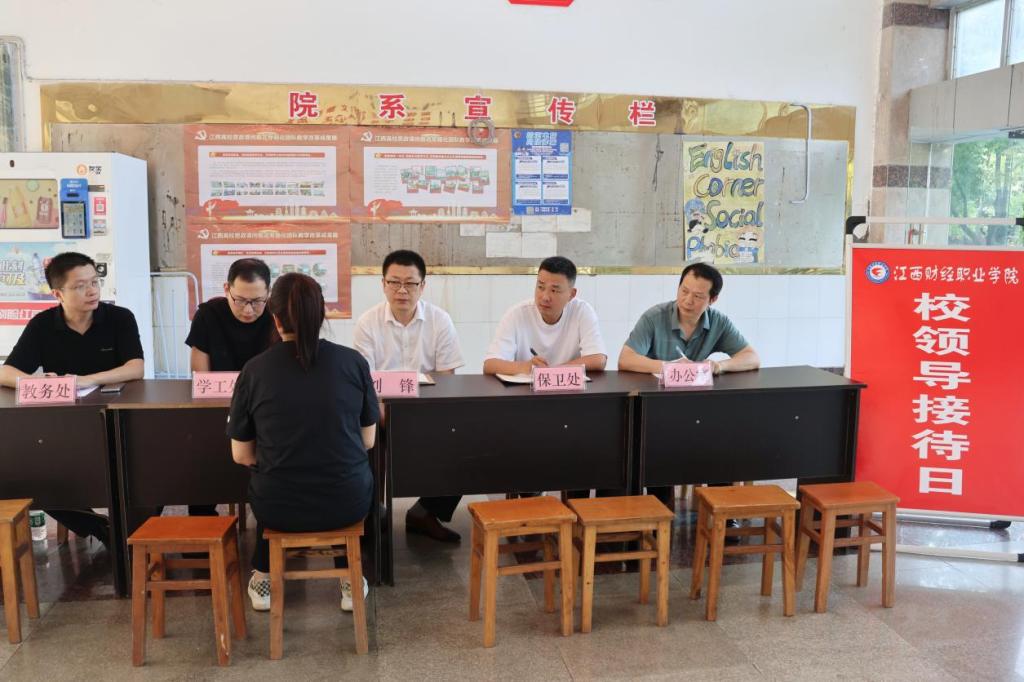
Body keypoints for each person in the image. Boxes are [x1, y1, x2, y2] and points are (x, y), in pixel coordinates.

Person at [227, 273, 378, 612]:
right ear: (321, 314)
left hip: (278, 506)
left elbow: (241, 454)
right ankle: (349, 577)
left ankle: (263, 575)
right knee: (347, 477)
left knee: (271, 481)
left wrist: (280, 458)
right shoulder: (353, 363)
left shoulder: (254, 370)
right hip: (347, 502)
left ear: (275, 317)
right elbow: (367, 440)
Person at [1, 251, 144, 545]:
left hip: (115, 419)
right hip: (63, 425)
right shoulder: (42, 325)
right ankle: (102, 529)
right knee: (30, 474)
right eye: (80, 286)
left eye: (94, 282)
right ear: (58, 293)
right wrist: (37, 382)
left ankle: (133, 535)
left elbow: (136, 368)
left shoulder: (119, 318)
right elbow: (6, 372)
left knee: (148, 467)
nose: (92, 291)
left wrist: (83, 380)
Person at [618, 262, 760, 506]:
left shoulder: (717, 322)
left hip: (697, 407)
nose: (687, 300)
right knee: (658, 444)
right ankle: (661, 507)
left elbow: (752, 357)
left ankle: (722, 510)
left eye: (698, 296)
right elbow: (625, 359)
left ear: (712, 299)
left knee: (723, 438)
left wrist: (718, 366)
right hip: (658, 407)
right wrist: (668, 367)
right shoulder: (655, 317)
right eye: (684, 291)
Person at [353, 249, 464, 543]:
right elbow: (365, 383)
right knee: (360, 438)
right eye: (394, 282)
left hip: (426, 411)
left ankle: (426, 512)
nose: (402, 290)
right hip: (380, 410)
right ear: (383, 284)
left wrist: (421, 418)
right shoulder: (367, 322)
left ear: (422, 286)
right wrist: (381, 414)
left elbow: (446, 379)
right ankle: (371, 514)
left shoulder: (440, 320)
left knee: (463, 439)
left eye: (410, 283)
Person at [185, 258, 273, 517]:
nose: (249, 310)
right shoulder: (208, 315)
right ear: (227, 289)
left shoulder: (276, 315)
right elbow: (200, 377)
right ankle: (203, 521)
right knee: (203, 460)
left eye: (257, 301)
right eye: (240, 300)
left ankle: (270, 517)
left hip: (264, 408)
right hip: (218, 406)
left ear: (268, 293)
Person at [483, 256, 606, 376]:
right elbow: (490, 364)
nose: (545, 297)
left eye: (554, 290)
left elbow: (598, 359)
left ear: (571, 294)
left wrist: (551, 373)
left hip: (567, 388)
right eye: (541, 287)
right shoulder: (517, 314)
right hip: (526, 389)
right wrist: (525, 367)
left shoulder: (582, 311)